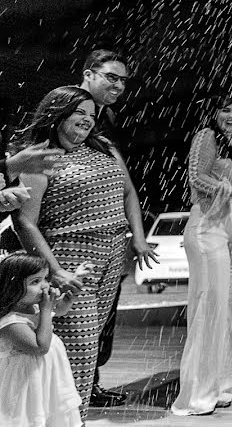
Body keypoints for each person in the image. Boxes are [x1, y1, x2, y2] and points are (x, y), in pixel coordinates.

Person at [11, 86, 157, 415]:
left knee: (86, 350)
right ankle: (64, 419)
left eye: (92, 115)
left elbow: (127, 191)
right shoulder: (40, 158)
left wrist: (136, 236)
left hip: (110, 257)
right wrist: (56, 270)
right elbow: (25, 223)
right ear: (57, 113)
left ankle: (70, 417)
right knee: (77, 346)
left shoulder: (103, 148)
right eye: (80, 112)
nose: (88, 120)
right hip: (70, 260)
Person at [171, 96, 232, 416]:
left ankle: (223, 387)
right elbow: (197, 178)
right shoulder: (206, 136)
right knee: (209, 311)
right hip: (208, 226)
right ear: (212, 111)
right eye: (226, 108)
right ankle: (197, 395)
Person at [77, 48, 141, 407]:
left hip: (110, 234)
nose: (118, 85)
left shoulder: (108, 118)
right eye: (110, 77)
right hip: (77, 233)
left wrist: (132, 233)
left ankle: (90, 383)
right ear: (89, 73)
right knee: (78, 318)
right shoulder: (70, 108)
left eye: (122, 80)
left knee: (102, 316)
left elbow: (122, 180)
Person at [0, 252, 82, 427]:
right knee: (30, 418)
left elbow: (57, 312)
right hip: (26, 385)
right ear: (12, 286)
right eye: (35, 282)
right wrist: (45, 309)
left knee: (51, 414)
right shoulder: (10, 322)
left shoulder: (32, 307)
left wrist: (66, 301)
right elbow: (40, 346)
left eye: (45, 278)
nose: (45, 286)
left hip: (48, 379)